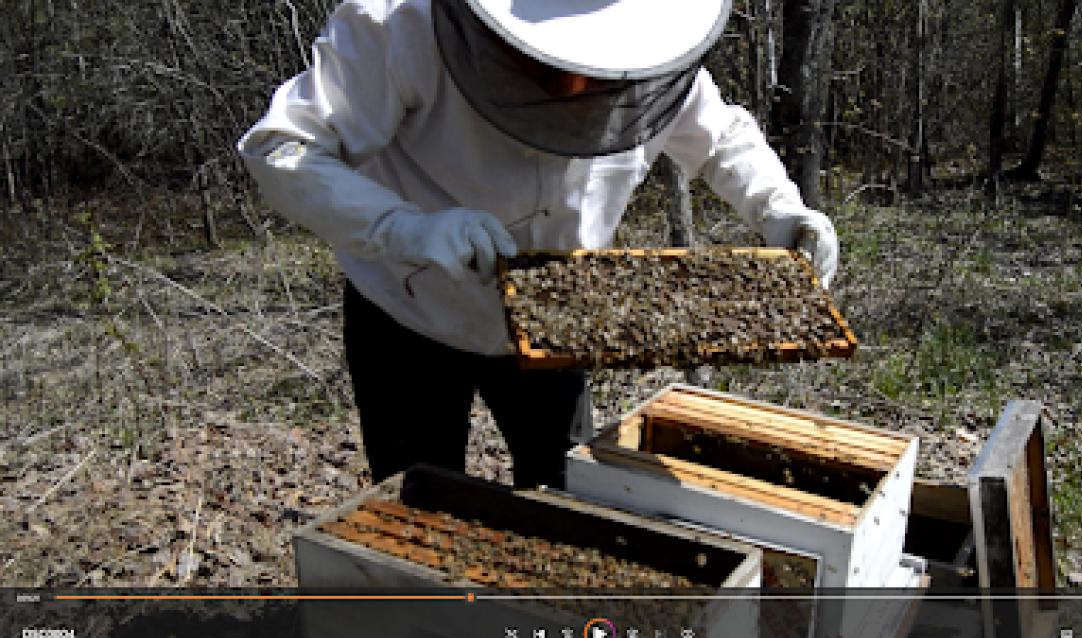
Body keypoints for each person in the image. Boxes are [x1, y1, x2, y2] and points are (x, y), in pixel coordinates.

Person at [237, 0, 838, 489]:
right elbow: (280, 148)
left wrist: (780, 208)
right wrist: (404, 228)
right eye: (547, 64)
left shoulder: (650, 49)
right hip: (408, 308)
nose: (576, 86)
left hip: (559, 318)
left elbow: (721, 133)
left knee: (565, 491)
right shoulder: (400, 23)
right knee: (420, 499)